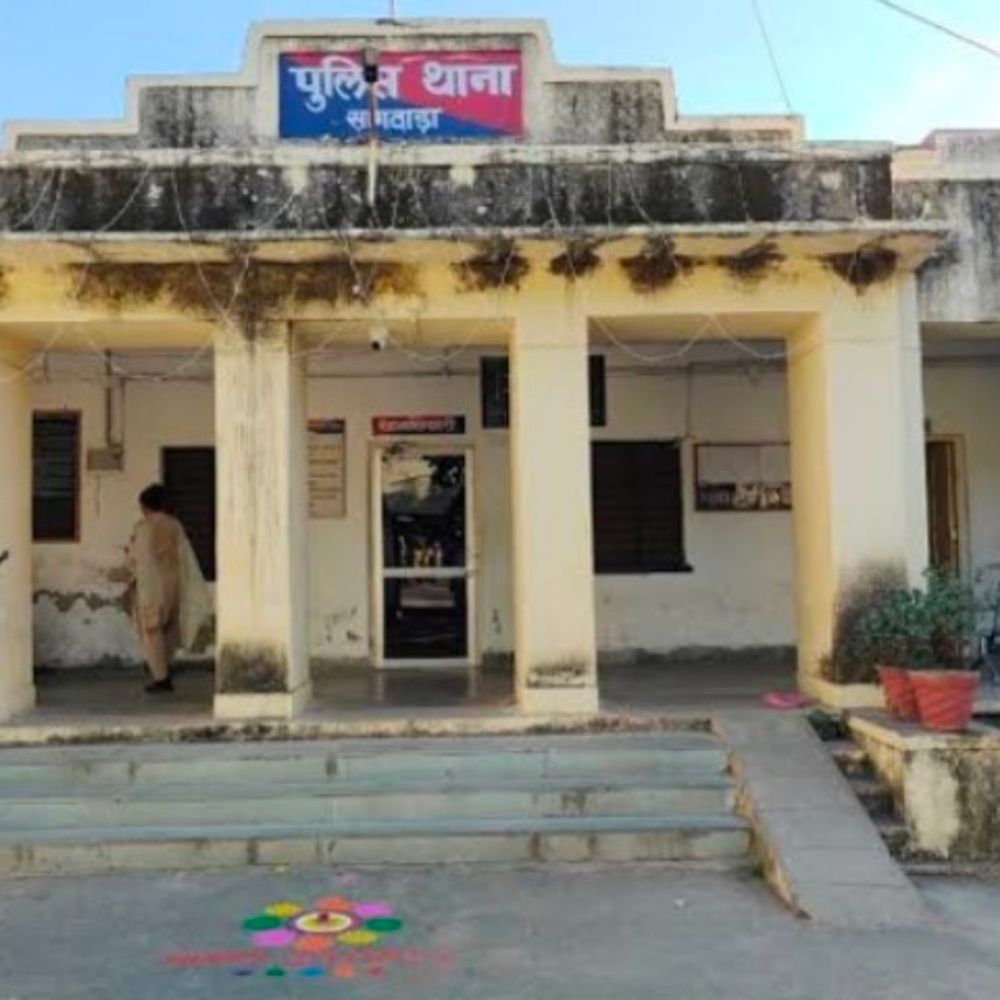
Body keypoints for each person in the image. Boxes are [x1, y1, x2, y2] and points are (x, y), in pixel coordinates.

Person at [126, 484, 212, 693]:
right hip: (167, 586)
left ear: (145, 505)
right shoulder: (173, 525)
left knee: (152, 632)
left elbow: (152, 560)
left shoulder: (148, 527)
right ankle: (163, 668)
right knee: (166, 631)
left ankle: (161, 677)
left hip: (152, 588)